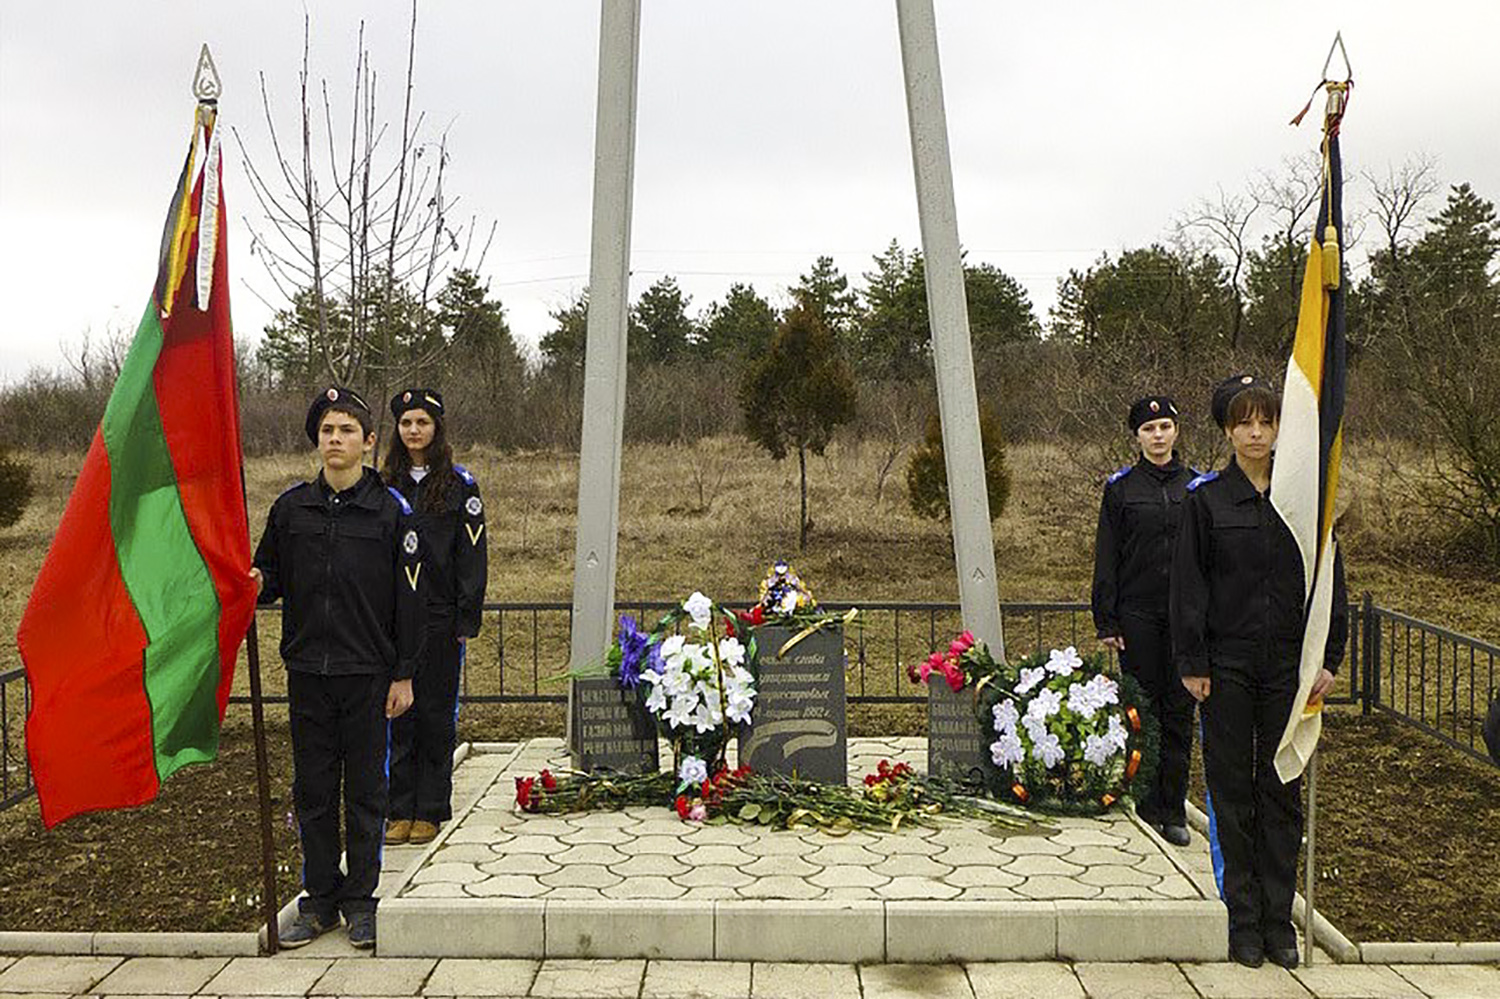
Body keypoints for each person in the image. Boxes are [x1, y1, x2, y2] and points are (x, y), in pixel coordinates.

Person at [1171, 374, 1347, 970]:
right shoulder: (1206, 500)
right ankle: (1242, 921)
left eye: (1266, 422)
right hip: (1226, 668)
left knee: (1280, 792)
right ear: (1227, 430)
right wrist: (1192, 662)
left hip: (1288, 670)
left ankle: (1280, 923)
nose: (1255, 432)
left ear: (1279, 429)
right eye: (1244, 422)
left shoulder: (1302, 499)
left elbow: (1329, 581)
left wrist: (1329, 656)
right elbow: (1188, 587)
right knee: (1233, 791)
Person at [250, 387, 426, 950]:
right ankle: (319, 901)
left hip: (368, 676)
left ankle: (362, 902)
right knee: (315, 793)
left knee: (367, 794)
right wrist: (250, 583)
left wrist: (404, 672)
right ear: (316, 440)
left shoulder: (391, 511)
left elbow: (410, 600)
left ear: (369, 441)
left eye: (347, 430)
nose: (335, 440)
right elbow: (267, 580)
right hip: (308, 673)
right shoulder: (290, 509)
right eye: (327, 431)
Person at [381, 388, 487, 846]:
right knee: (398, 713)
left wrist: (468, 616)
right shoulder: (384, 484)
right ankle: (399, 807)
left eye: (422, 423)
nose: (414, 431)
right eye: (406, 423)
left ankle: (431, 807)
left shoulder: (460, 485)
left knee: (436, 714)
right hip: (393, 618)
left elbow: (472, 554)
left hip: (441, 616)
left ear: (436, 428)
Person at [1091, 394, 1197, 847]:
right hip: (1137, 616)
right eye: (1149, 430)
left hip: (1186, 618)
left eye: (1165, 428)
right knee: (1142, 712)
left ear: (1176, 431)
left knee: (1179, 711)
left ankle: (1172, 808)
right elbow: (1107, 557)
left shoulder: (1197, 487)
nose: (1158, 436)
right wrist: (1107, 618)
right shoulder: (1121, 489)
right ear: (1136, 436)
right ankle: (1141, 799)